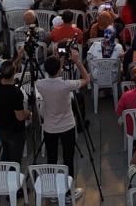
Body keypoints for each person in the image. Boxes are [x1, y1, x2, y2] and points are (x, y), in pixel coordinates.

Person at [35, 48, 88, 183]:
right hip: (67, 126)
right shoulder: (66, 85)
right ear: (59, 69)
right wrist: (77, 62)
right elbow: (86, 79)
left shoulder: (40, 85)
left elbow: (51, 77)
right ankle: (68, 190)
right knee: (68, 159)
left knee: (51, 158)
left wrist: (58, 64)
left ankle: (53, 189)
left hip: (49, 128)